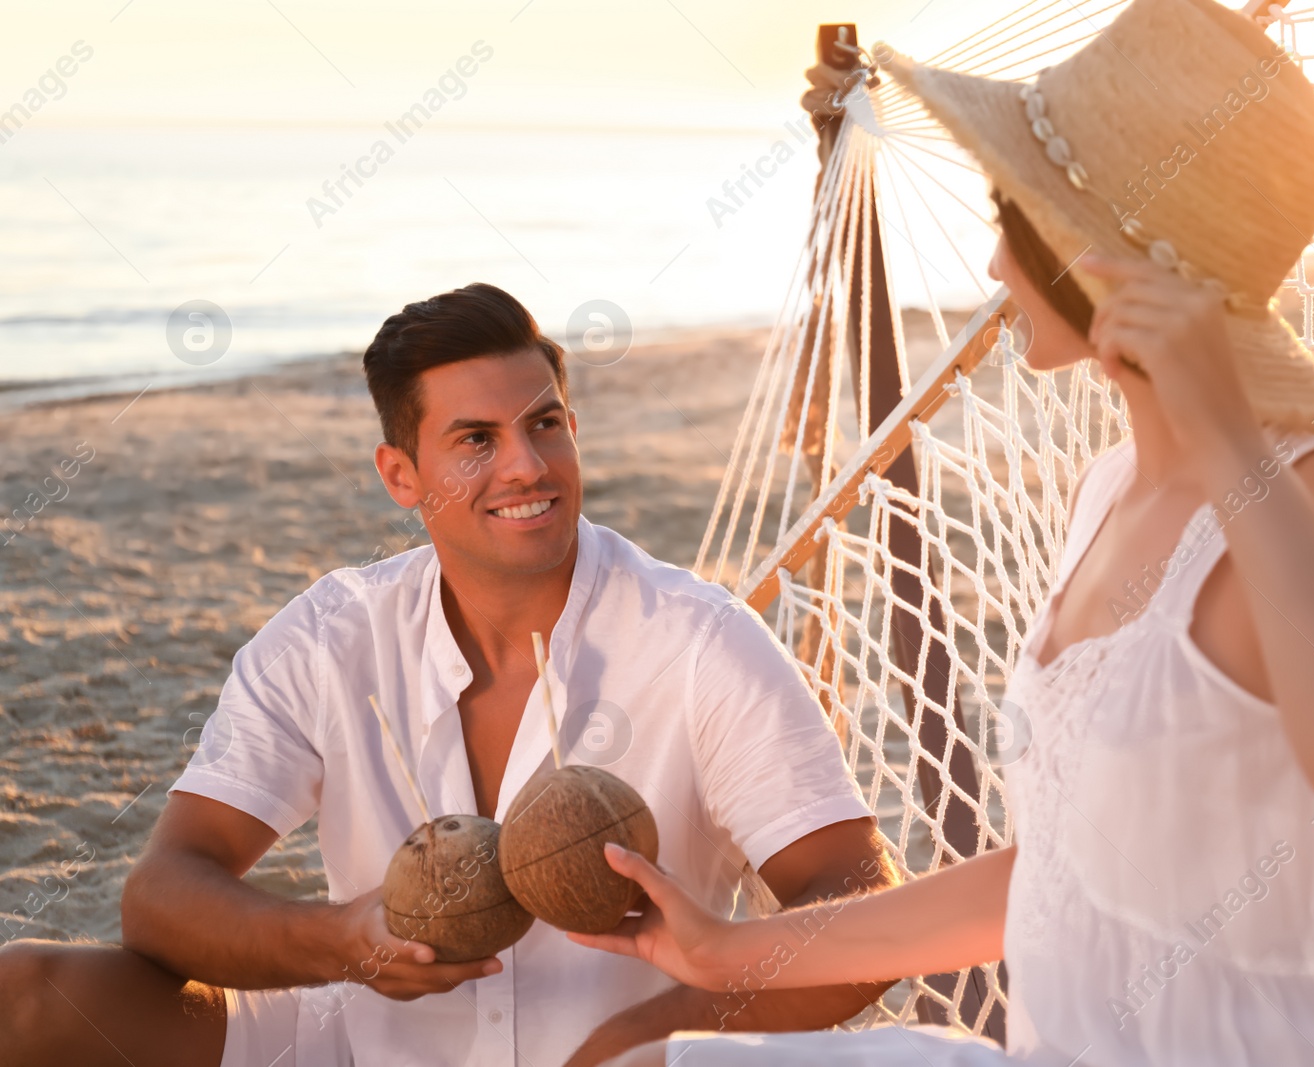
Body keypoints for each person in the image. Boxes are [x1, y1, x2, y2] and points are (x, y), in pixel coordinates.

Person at [570, 0, 1314, 1064]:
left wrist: (1229, 437)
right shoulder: (1108, 491)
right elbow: (1056, 877)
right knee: (628, 1057)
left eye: (1013, 213)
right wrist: (731, 953)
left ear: (1093, 251)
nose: (997, 263)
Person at [0, 282, 899, 1067]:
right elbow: (161, 897)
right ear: (401, 474)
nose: (526, 465)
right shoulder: (330, 635)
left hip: (629, 1059)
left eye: (543, 423)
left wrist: (648, 1043)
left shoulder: (701, 643)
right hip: (358, 1046)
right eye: (476, 439)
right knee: (23, 992)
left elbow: (861, 900)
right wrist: (341, 940)